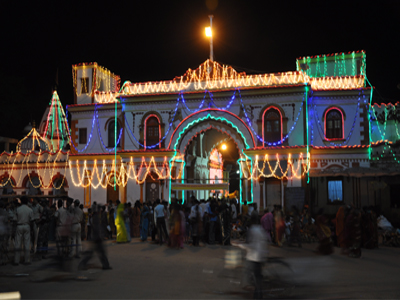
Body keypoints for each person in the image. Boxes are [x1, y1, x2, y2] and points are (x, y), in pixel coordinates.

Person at [233, 212, 268, 299]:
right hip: (260, 257)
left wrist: (239, 245)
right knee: (258, 279)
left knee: (247, 273)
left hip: (253, 257)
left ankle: (250, 288)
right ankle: (258, 296)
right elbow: (265, 242)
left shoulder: (252, 230)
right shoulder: (261, 229)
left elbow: (250, 245)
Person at [78, 203, 111, 270]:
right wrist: (99, 236)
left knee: (97, 252)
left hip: (96, 237)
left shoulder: (94, 216)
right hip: (97, 238)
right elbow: (96, 228)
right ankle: (105, 265)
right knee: (97, 252)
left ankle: (105, 265)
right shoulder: (96, 217)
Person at [13, 196, 34, 265]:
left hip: (19, 226)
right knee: (27, 244)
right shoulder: (30, 210)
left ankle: (16, 260)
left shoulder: (17, 209)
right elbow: (32, 220)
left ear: (21, 201)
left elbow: (15, 220)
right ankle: (26, 260)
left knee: (18, 243)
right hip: (27, 226)